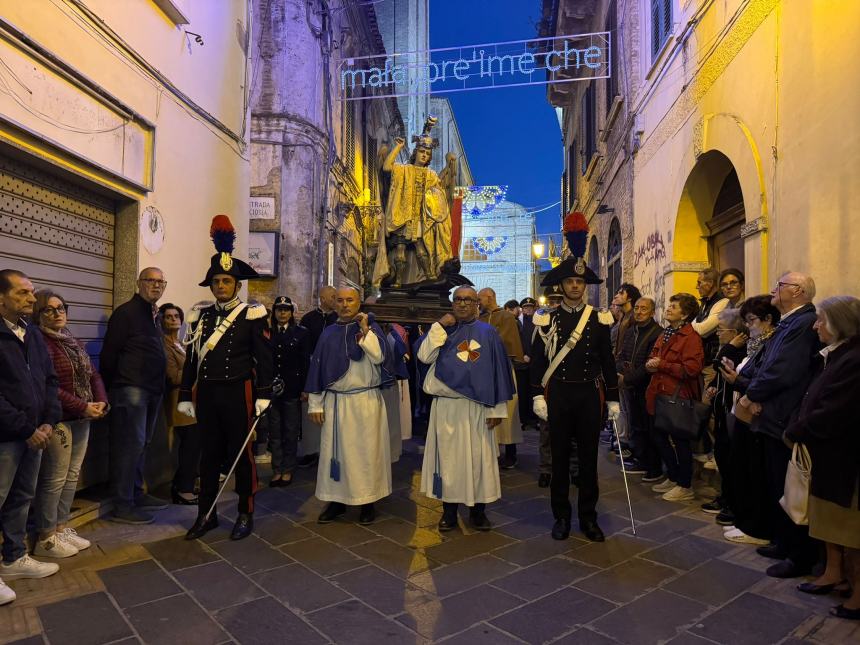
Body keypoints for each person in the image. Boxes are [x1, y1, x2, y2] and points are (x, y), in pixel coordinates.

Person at [182, 216, 273, 541]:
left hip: (239, 392)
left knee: (242, 455)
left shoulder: (251, 314)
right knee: (208, 455)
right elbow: (192, 358)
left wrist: (263, 393)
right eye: (217, 281)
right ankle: (205, 515)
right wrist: (183, 395)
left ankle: (246, 513)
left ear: (237, 285)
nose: (221, 286)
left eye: (226, 281)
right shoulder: (199, 315)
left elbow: (264, 358)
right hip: (207, 395)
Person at [530, 211, 618, 542]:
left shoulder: (599, 319)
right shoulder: (546, 320)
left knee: (589, 461)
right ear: (562, 285)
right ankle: (561, 517)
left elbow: (608, 362)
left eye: (580, 283)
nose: (575, 287)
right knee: (560, 461)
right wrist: (538, 394)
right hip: (560, 395)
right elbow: (539, 361)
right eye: (570, 282)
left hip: (587, 397)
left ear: (585, 286)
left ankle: (589, 518)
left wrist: (613, 399)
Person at [731, 272, 820, 578]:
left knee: (788, 484)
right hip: (771, 414)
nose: (772, 291)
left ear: (796, 291)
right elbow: (768, 362)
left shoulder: (802, 323)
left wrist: (752, 394)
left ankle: (799, 555)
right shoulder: (790, 322)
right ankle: (783, 541)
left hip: (783, 414)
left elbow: (784, 370)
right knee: (775, 482)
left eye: (779, 286)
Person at [784, 296, 860, 620]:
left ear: (839, 323)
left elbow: (834, 410)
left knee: (850, 527)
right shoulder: (836, 355)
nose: (816, 326)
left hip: (845, 456)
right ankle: (833, 572)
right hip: (825, 454)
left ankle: (857, 593)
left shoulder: (854, 360)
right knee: (828, 519)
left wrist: (799, 430)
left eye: (821, 320)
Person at [418, 286, 514, 531]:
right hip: (447, 408)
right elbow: (424, 357)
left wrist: (497, 410)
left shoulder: (489, 333)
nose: (462, 304)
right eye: (458, 299)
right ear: (452, 303)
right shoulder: (442, 330)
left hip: (477, 408)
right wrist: (438, 327)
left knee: (478, 460)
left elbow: (498, 373)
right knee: (447, 461)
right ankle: (448, 513)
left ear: (477, 304)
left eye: (468, 300)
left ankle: (478, 513)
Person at [306, 287, 394, 526]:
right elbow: (317, 368)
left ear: (359, 303)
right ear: (334, 303)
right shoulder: (328, 334)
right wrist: (316, 403)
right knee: (336, 454)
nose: (345, 305)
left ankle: (368, 502)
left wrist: (365, 329)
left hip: (365, 403)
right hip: (336, 403)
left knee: (367, 454)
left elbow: (379, 358)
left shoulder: (372, 329)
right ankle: (336, 501)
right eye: (340, 300)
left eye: (350, 300)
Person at [0, 269, 61, 603]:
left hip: (36, 433)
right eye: (22, 292)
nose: (31, 299)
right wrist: (27, 429)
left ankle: (12, 558)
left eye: (31, 292)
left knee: (22, 497)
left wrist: (49, 421)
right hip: (8, 436)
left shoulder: (32, 333)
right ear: (1, 298)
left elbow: (50, 379)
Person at [32, 290, 107, 558]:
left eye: (61, 307)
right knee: (55, 477)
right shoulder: (38, 342)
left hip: (82, 416)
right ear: (37, 314)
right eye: (49, 309)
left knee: (72, 474)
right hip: (58, 418)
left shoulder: (72, 340)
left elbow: (92, 374)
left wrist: (101, 401)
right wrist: (82, 406)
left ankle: (61, 527)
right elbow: (48, 387)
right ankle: (46, 536)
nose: (58, 313)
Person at [100, 267, 168, 524]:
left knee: (142, 445)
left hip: (151, 389)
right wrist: (111, 388)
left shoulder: (154, 315)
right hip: (130, 388)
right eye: (150, 280)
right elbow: (109, 355)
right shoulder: (126, 313)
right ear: (138, 283)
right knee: (128, 446)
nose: (156, 285)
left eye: (161, 282)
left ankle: (137, 493)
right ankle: (122, 503)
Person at [718, 295, 782, 545]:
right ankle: (746, 520)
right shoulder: (760, 341)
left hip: (759, 416)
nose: (749, 326)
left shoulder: (772, 341)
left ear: (768, 319)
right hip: (743, 411)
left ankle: (757, 527)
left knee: (755, 473)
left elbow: (768, 378)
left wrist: (741, 383)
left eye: (752, 320)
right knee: (742, 469)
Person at [373, 117, 454, 287]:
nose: (424, 155)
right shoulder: (404, 169)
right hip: (401, 216)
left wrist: (447, 172)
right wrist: (398, 147)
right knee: (400, 251)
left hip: (420, 219)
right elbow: (387, 167)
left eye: (427, 154)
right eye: (421, 152)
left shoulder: (431, 175)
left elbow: (438, 194)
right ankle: (399, 281)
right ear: (415, 152)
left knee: (421, 250)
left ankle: (430, 276)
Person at [646, 293, 704, 502]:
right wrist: (651, 364)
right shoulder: (667, 333)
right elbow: (655, 355)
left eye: (674, 306)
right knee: (657, 436)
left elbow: (692, 369)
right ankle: (673, 475)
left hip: (677, 395)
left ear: (685, 313)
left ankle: (684, 485)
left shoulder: (691, 337)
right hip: (658, 392)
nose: (668, 308)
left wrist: (661, 365)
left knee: (680, 441)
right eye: (669, 305)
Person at [699, 307, 747, 522]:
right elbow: (718, 374)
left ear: (735, 332)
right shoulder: (728, 347)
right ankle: (725, 497)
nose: (718, 333)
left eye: (721, 329)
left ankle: (731, 502)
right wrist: (712, 386)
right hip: (721, 410)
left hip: (732, 411)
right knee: (721, 455)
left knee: (729, 459)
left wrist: (727, 347)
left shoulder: (737, 349)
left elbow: (720, 365)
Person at [616, 297, 662, 481]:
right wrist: (619, 372)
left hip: (647, 385)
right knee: (635, 423)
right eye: (637, 308)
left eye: (644, 309)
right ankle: (640, 459)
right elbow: (622, 355)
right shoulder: (630, 331)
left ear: (652, 312)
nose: (639, 312)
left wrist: (627, 378)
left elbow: (648, 365)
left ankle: (653, 467)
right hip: (630, 385)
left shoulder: (657, 333)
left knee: (649, 427)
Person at [478, 287, 524, 469]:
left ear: (489, 297)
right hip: (484, 372)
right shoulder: (479, 318)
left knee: (509, 412)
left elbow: (507, 342)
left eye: (480, 299)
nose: (478, 303)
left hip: (503, 370)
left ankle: (511, 454)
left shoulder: (506, 317)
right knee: (488, 412)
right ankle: (491, 452)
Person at [159, 303, 200, 505]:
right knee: (190, 445)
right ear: (161, 320)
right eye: (168, 316)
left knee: (193, 446)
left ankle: (186, 484)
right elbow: (173, 376)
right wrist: (196, 369)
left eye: (176, 316)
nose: (173, 319)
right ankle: (183, 489)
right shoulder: (164, 345)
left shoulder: (181, 343)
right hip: (178, 403)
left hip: (192, 402)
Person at [268, 296, 310, 487]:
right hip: (272, 390)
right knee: (274, 431)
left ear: (291, 313)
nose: (282, 313)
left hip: (292, 389)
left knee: (291, 431)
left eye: (286, 310)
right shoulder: (267, 333)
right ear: (274, 312)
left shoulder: (301, 333)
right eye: (279, 309)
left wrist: (305, 388)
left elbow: (304, 363)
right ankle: (277, 469)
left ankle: (288, 469)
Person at [298, 285, 338, 469]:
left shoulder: (339, 319)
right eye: (333, 297)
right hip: (312, 369)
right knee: (311, 413)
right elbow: (303, 349)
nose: (335, 300)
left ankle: (328, 451)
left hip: (333, 372)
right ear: (322, 298)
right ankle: (310, 451)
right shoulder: (308, 319)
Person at [517, 297, 539, 431]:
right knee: (523, 392)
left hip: (535, 362)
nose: (528, 310)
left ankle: (535, 418)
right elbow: (518, 340)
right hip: (522, 362)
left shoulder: (538, 321)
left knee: (535, 391)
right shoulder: (518, 323)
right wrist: (523, 354)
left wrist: (532, 356)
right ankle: (524, 419)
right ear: (522, 309)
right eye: (526, 308)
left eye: (530, 307)